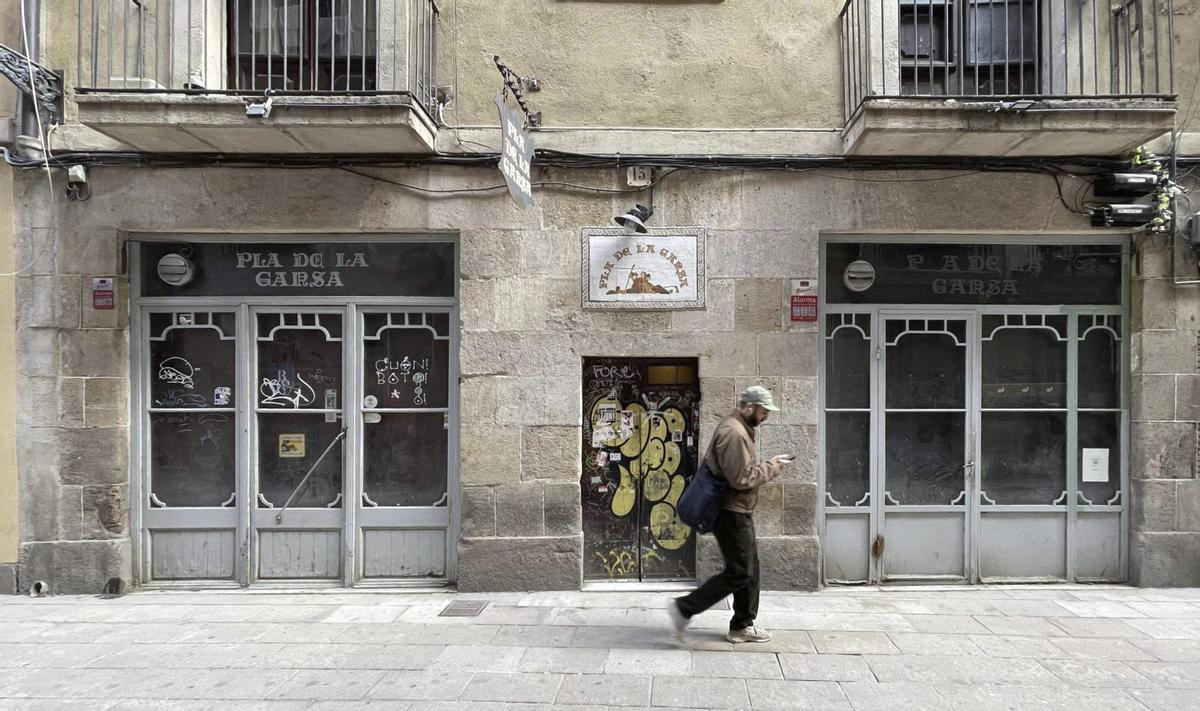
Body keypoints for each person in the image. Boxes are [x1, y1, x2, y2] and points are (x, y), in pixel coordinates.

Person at [668, 385, 793, 643]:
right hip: (731, 512)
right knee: (740, 572)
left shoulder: (739, 428)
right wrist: (773, 466)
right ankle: (685, 608)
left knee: (749, 569)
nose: (766, 416)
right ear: (749, 407)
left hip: (738, 510)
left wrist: (770, 464)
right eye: (763, 411)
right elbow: (741, 478)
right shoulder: (734, 433)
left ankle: (742, 625)